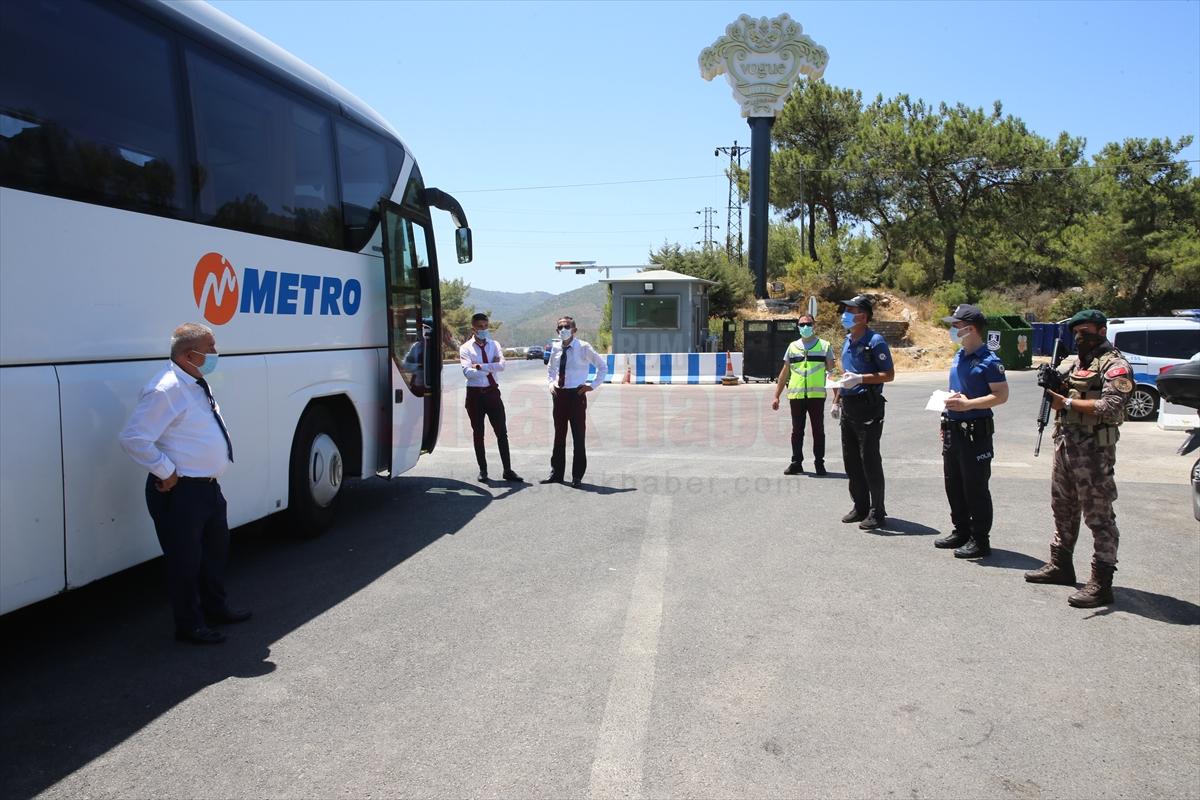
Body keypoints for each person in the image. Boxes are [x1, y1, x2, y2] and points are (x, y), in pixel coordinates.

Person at [118, 323, 250, 644]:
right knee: (185, 562)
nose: (216, 354)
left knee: (215, 552)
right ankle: (189, 625)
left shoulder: (194, 382)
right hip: (181, 493)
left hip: (207, 489)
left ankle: (215, 609)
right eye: (211, 348)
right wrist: (166, 471)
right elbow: (134, 438)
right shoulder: (166, 389)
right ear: (190, 355)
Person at [1025, 309, 1133, 608]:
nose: (1079, 338)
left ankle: (1101, 582)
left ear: (1101, 331)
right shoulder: (1077, 363)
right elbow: (1064, 392)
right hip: (1065, 446)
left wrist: (1068, 402)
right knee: (1062, 508)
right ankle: (1061, 565)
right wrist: (1054, 384)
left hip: (1094, 453)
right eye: (1075, 333)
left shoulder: (1115, 365)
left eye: (1084, 331)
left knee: (1099, 517)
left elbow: (1112, 406)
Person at [934, 304, 1009, 559]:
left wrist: (968, 404)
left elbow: (1001, 395)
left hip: (975, 432)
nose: (952, 330)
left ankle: (980, 539)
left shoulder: (989, 360)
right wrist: (946, 417)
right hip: (953, 428)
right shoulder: (959, 355)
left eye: (956, 326)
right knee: (953, 484)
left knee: (975, 487)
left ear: (971, 328)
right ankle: (961, 531)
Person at [831, 295, 895, 530]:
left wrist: (861, 379)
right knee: (852, 461)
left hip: (868, 405)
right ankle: (860, 506)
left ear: (864, 316)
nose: (846, 313)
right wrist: (836, 400)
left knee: (869, 460)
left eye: (851, 309)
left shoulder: (875, 341)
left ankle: (877, 511)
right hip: (849, 407)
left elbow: (889, 374)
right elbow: (844, 374)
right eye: (845, 308)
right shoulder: (847, 340)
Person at [541, 316, 607, 488]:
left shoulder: (583, 347)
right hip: (559, 396)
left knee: (578, 436)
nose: (563, 330)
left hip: (576, 395)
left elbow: (602, 366)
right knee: (559, 435)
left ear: (574, 330)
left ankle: (577, 476)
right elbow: (550, 369)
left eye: (567, 326)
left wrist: (591, 386)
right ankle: (556, 473)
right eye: (560, 327)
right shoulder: (555, 347)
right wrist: (551, 384)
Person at [459, 312, 521, 483]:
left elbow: (501, 366)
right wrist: (490, 367)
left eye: (486, 326)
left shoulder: (494, 345)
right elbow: (468, 373)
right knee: (478, 433)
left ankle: (507, 470)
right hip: (475, 396)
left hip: (493, 393)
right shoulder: (465, 348)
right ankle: (483, 470)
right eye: (480, 327)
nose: (484, 330)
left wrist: (479, 366)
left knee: (502, 432)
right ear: (473, 328)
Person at [771, 312, 835, 475]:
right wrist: (776, 396)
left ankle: (819, 463)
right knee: (797, 430)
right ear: (798, 327)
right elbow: (784, 373)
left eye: (808, 324)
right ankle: (796, 462)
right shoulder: (793, 347)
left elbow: (833, 372)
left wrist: (837, 398)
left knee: (818, 431)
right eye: (802, 324)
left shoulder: (825, 346)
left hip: (816, 397)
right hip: (797, 396)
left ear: (814, 326)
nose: (805, 327)